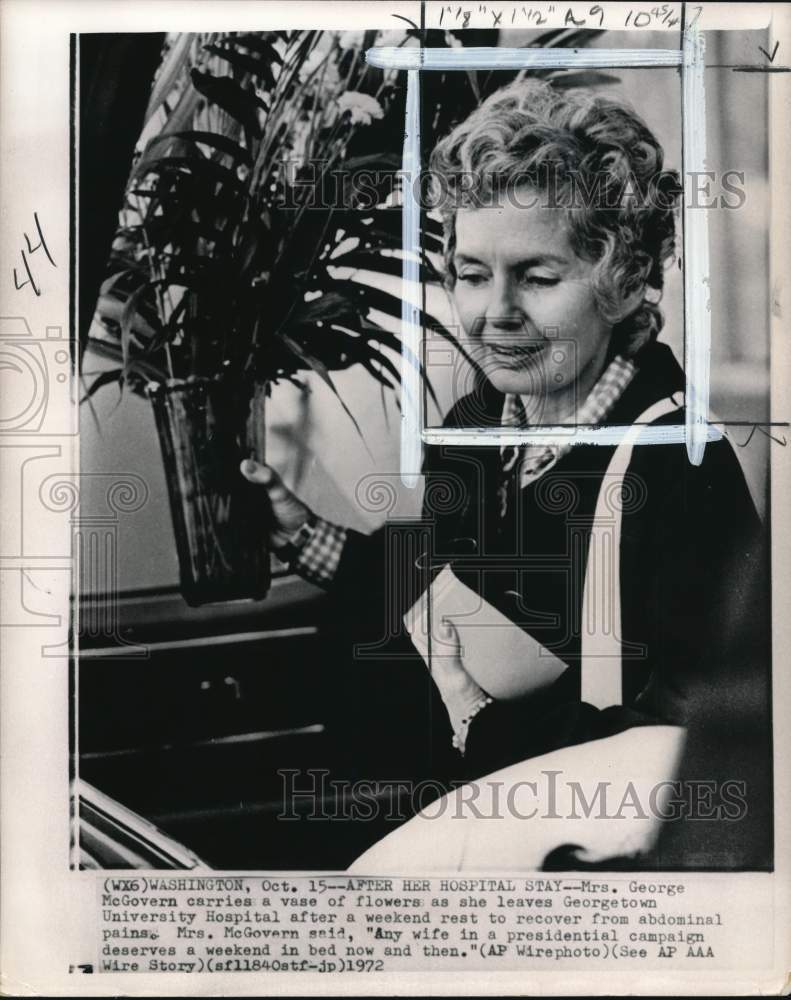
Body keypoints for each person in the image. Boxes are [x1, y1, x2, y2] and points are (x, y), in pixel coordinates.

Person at [241, 80, 769, 831]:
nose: (495, 313)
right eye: (471, 274)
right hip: (450, 822)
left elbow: (699, 742)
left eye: (537, 277)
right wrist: (306, 537)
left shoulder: (677, 462)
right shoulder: (474, 427)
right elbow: (435, 597)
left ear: (622, 281)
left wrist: (487, 729)